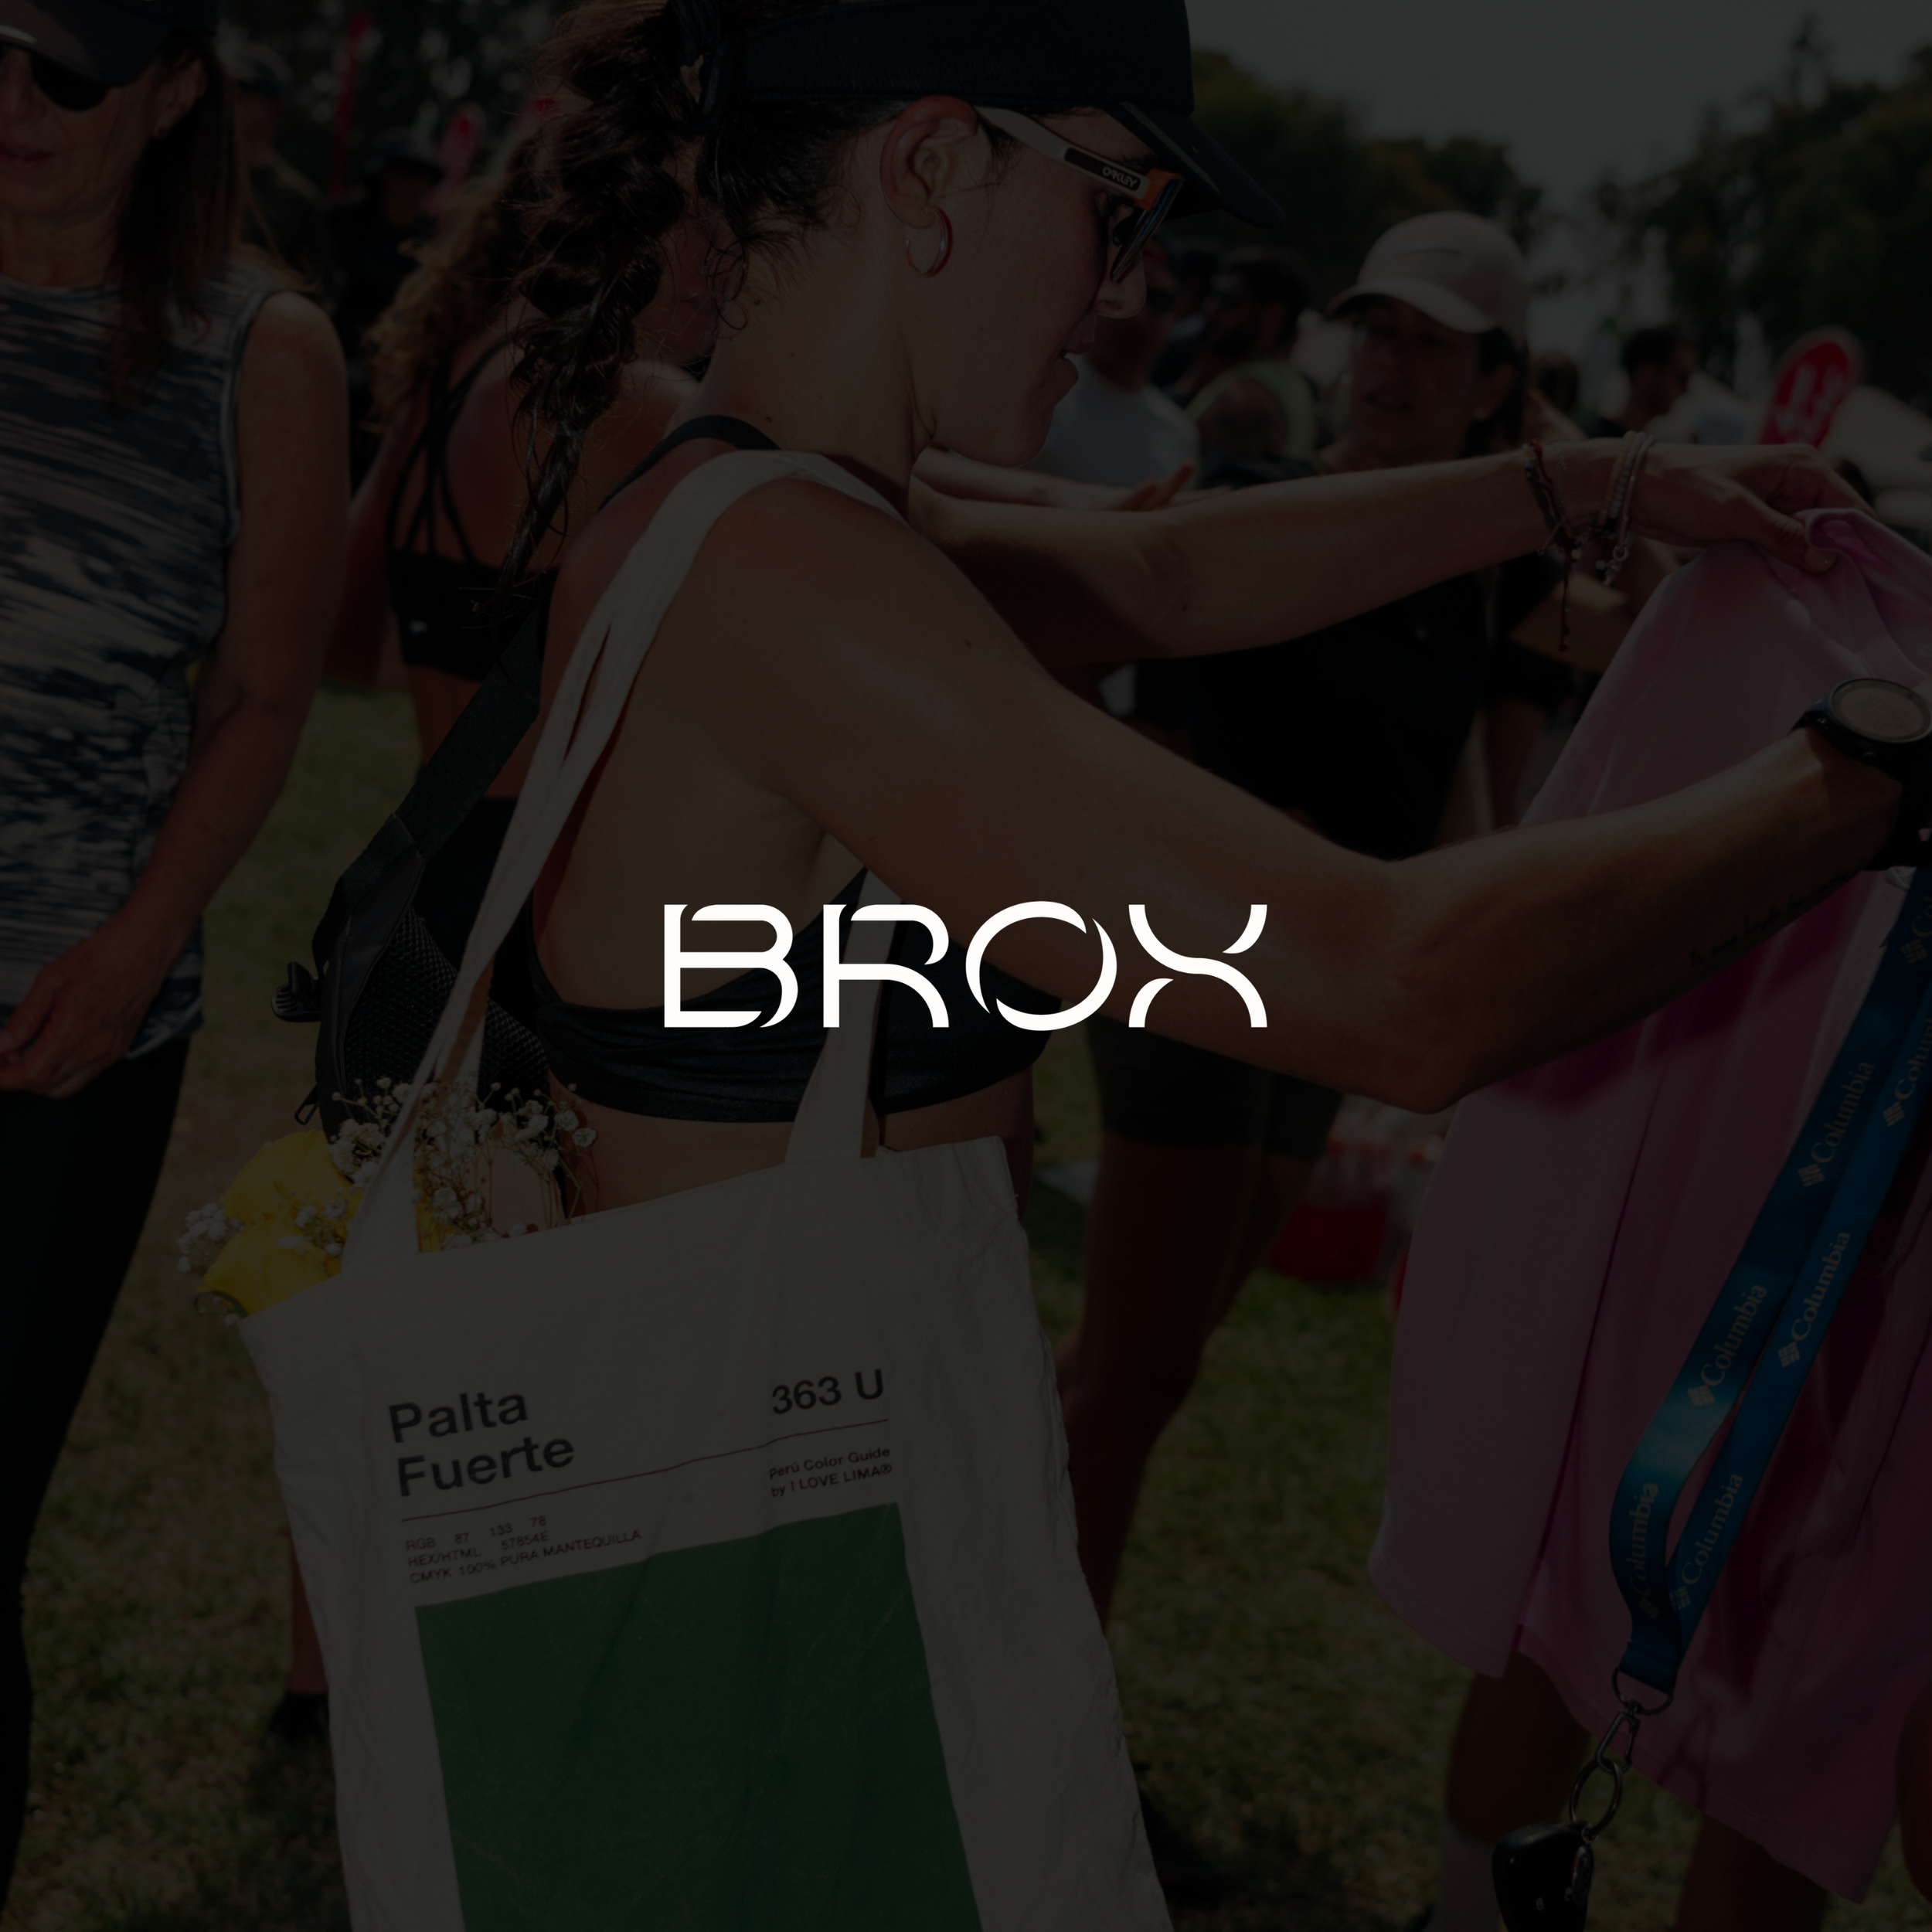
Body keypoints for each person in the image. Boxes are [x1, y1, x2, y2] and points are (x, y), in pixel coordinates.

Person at [1052, 214, 1678, 1668]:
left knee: (1145, 1359)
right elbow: (1078, 656)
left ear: (1496, 379)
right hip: (1201, 956)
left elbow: (1659, 620)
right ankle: (1044, 1716)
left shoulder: (1490, 570)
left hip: (1325, 992)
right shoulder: (1260, 496)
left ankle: (960, 1538)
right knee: (1136, 1379)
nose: (1387, 363)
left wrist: (1567, 459)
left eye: (1431, 345)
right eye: (1376, 330)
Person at [274, 132, 706, 1740]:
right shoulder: (642, 411)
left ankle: (319, 1678)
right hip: (552, 920)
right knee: (541, 1336)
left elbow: (341, 634)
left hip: (417, 899)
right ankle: (484, 1684)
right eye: (715, 218)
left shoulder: (450, 384)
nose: (735, 259)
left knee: (381, 1305)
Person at [0, 0, 345, 1900]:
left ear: (174, 88)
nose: (13, 102)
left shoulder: (257, 351)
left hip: (61, 1037)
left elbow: (264, 697)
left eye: (62, 68)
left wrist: (137, 948)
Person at [328, 128, 444, 479]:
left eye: (425, 175)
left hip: (392, 386)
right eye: (408, 171)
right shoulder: (340, 223)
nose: (416, 183)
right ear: (383, 175)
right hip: (331, 362)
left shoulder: (437, 244)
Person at [1174, 246, 1318, 467]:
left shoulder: (1242, 398)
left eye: (1227, 300)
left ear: (1272, 315)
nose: (1210, 308)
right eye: (1212, 295)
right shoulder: (1295, 387)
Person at [226, 41, 332, 292]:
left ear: (275, 107)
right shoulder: (198, 180)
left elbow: (318, 286)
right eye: (225, 91)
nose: (228, 102)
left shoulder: (298, 199)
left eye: (242, 93)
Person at [1587, 321, 1695, 437]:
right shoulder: (1591, 440)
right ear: (1645, 375)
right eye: (1682, 378)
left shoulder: (1633, 441)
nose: (1686, 390)